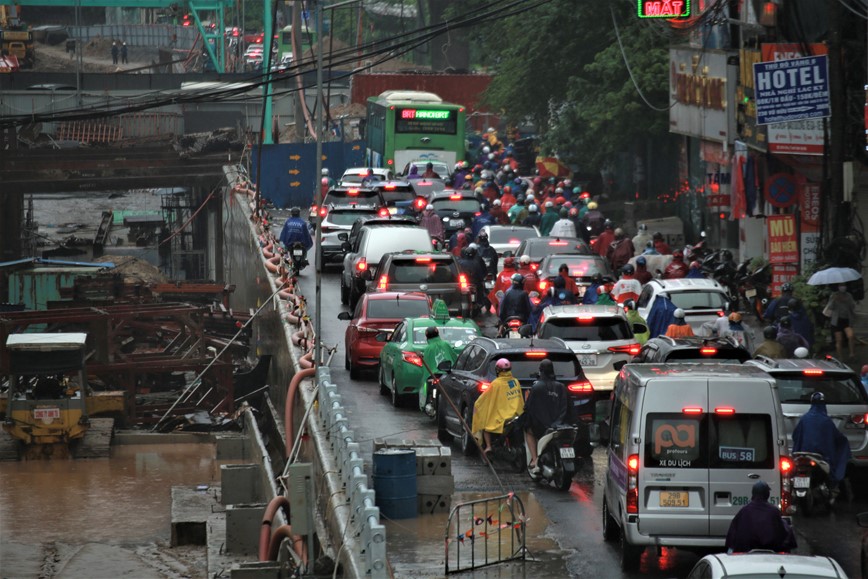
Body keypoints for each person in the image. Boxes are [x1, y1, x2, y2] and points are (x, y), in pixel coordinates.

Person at [792, 392, 852, 495]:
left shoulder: (805, 418)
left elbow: (796, 435)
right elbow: (836, 437)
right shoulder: (826, 421)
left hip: (802, 453)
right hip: (821, 456)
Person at [523, 358, 570, 472]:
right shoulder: (561, 387)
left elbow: (529, 407)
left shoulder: (537, 387)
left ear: (541, 371)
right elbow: (567, 407)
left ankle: (534, 460)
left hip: (543, 426)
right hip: (561, 424)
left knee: (527, 429)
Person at [724, 480, 796, 553]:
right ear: (767, 494)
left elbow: (732, 534)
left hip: (746, 552)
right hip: (771, 551)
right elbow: (783, 533)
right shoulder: (774, 511)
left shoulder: (744, 510)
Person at [472, 358, 525, 455]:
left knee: (486, 426)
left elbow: (483, 399)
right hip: (516, 414)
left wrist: (477, 405)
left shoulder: (496, 384)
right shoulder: (515, 382)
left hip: (502, 416)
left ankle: (488, 447)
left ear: (498, 370)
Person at [419, 325, 458, 416]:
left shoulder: (428, 349)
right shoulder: (446, 344)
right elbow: (454, 358)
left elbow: (425, 366)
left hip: (433, 375)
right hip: (447, 374)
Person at [824, 284, 857, 360]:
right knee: (839, 340)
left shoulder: (849, 295)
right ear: (838, 287)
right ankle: (840, 357)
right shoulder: (834, 295)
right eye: (841, 285)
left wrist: (845, 300)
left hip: (846, 320)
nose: (843, 287)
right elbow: (830, 307)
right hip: (837, 320)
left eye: (844, 285)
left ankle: (852, 353)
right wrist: (834, 300)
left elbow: (852, 306)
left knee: (851, 336)